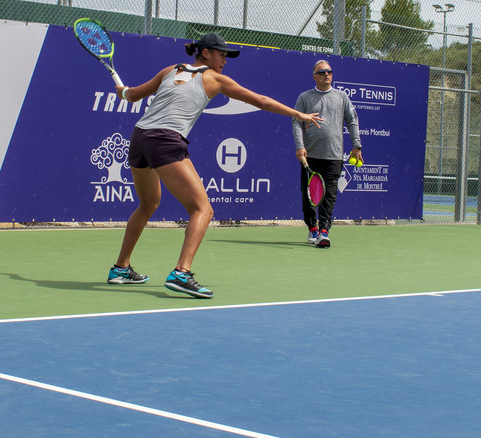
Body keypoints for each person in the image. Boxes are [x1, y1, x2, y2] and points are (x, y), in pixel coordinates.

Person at [107, 33, 322, 298]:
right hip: (165, 140)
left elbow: (130, 95)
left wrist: (123, 91)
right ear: (206, 53)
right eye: (222, 54)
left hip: (140, 138)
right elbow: (261, 101)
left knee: (148, 204)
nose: (225, 61)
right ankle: (181, 273)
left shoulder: (170, 70)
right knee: (202, 209)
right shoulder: (215, 79)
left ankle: (120, 269)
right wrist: (298, 114)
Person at [292, 60, 362, 248]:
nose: (326, 74)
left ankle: (324, 231)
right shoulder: (305, 98)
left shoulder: (342, 97)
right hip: (310, 156)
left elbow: (352, 121)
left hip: (334, 156)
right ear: (314, 76)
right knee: (309, 195)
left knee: (329, 195)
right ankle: (312, 228)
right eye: (322, 72)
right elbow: (296, 122)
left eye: (329, 71)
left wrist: (357, 146)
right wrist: (300, 147)